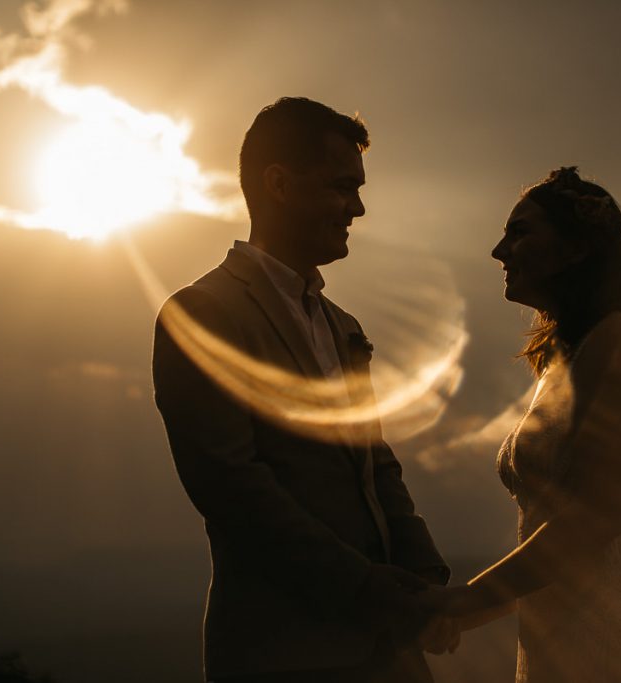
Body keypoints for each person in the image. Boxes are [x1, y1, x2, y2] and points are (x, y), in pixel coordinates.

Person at [152, 97, 453, 683]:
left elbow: (377, 464)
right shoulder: (202, 313)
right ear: (279, 184)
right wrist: (363, 585)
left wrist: (428, 581)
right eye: (343, 187)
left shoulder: (345, 326)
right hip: (282, 653)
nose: (358, 208)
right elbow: (230, 485)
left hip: (388, 652)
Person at [426, 167, 621, 681]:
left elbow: (595, 521)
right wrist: (466, 615)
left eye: (520, 232)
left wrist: (461, 601)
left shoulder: (620, 341)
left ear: (575, 249)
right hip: (557, 638)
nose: (499, 251)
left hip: (616, 639)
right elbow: (549, 539)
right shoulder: (562, 362)